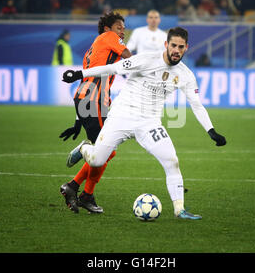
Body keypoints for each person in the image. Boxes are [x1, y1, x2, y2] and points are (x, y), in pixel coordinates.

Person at [62, 27, 227, 220]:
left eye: (180, 47)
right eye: (173, 45)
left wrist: (211, 131)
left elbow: (196, 105)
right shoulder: (146, 59)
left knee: (172, 160)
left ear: (186, 48)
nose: (176, 50)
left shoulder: (186, 75)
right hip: (121, 116)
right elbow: (112, 68)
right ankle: (84, 148)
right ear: (166, 44)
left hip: (149, 123)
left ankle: (179, 209)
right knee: (97, 160)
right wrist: (80, 74)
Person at [59, 12, 132, 213]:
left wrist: (77, 121)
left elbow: (85, 79)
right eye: (119, 28)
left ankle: (78, 190)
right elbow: (129, 60)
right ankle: (81, 190)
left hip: (88, 100)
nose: (122, 32)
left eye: (124, 29)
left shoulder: (94, 47)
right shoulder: (109, 38)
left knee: (108, 151)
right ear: (108, 29)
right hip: (95, 100)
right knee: (106, 150)